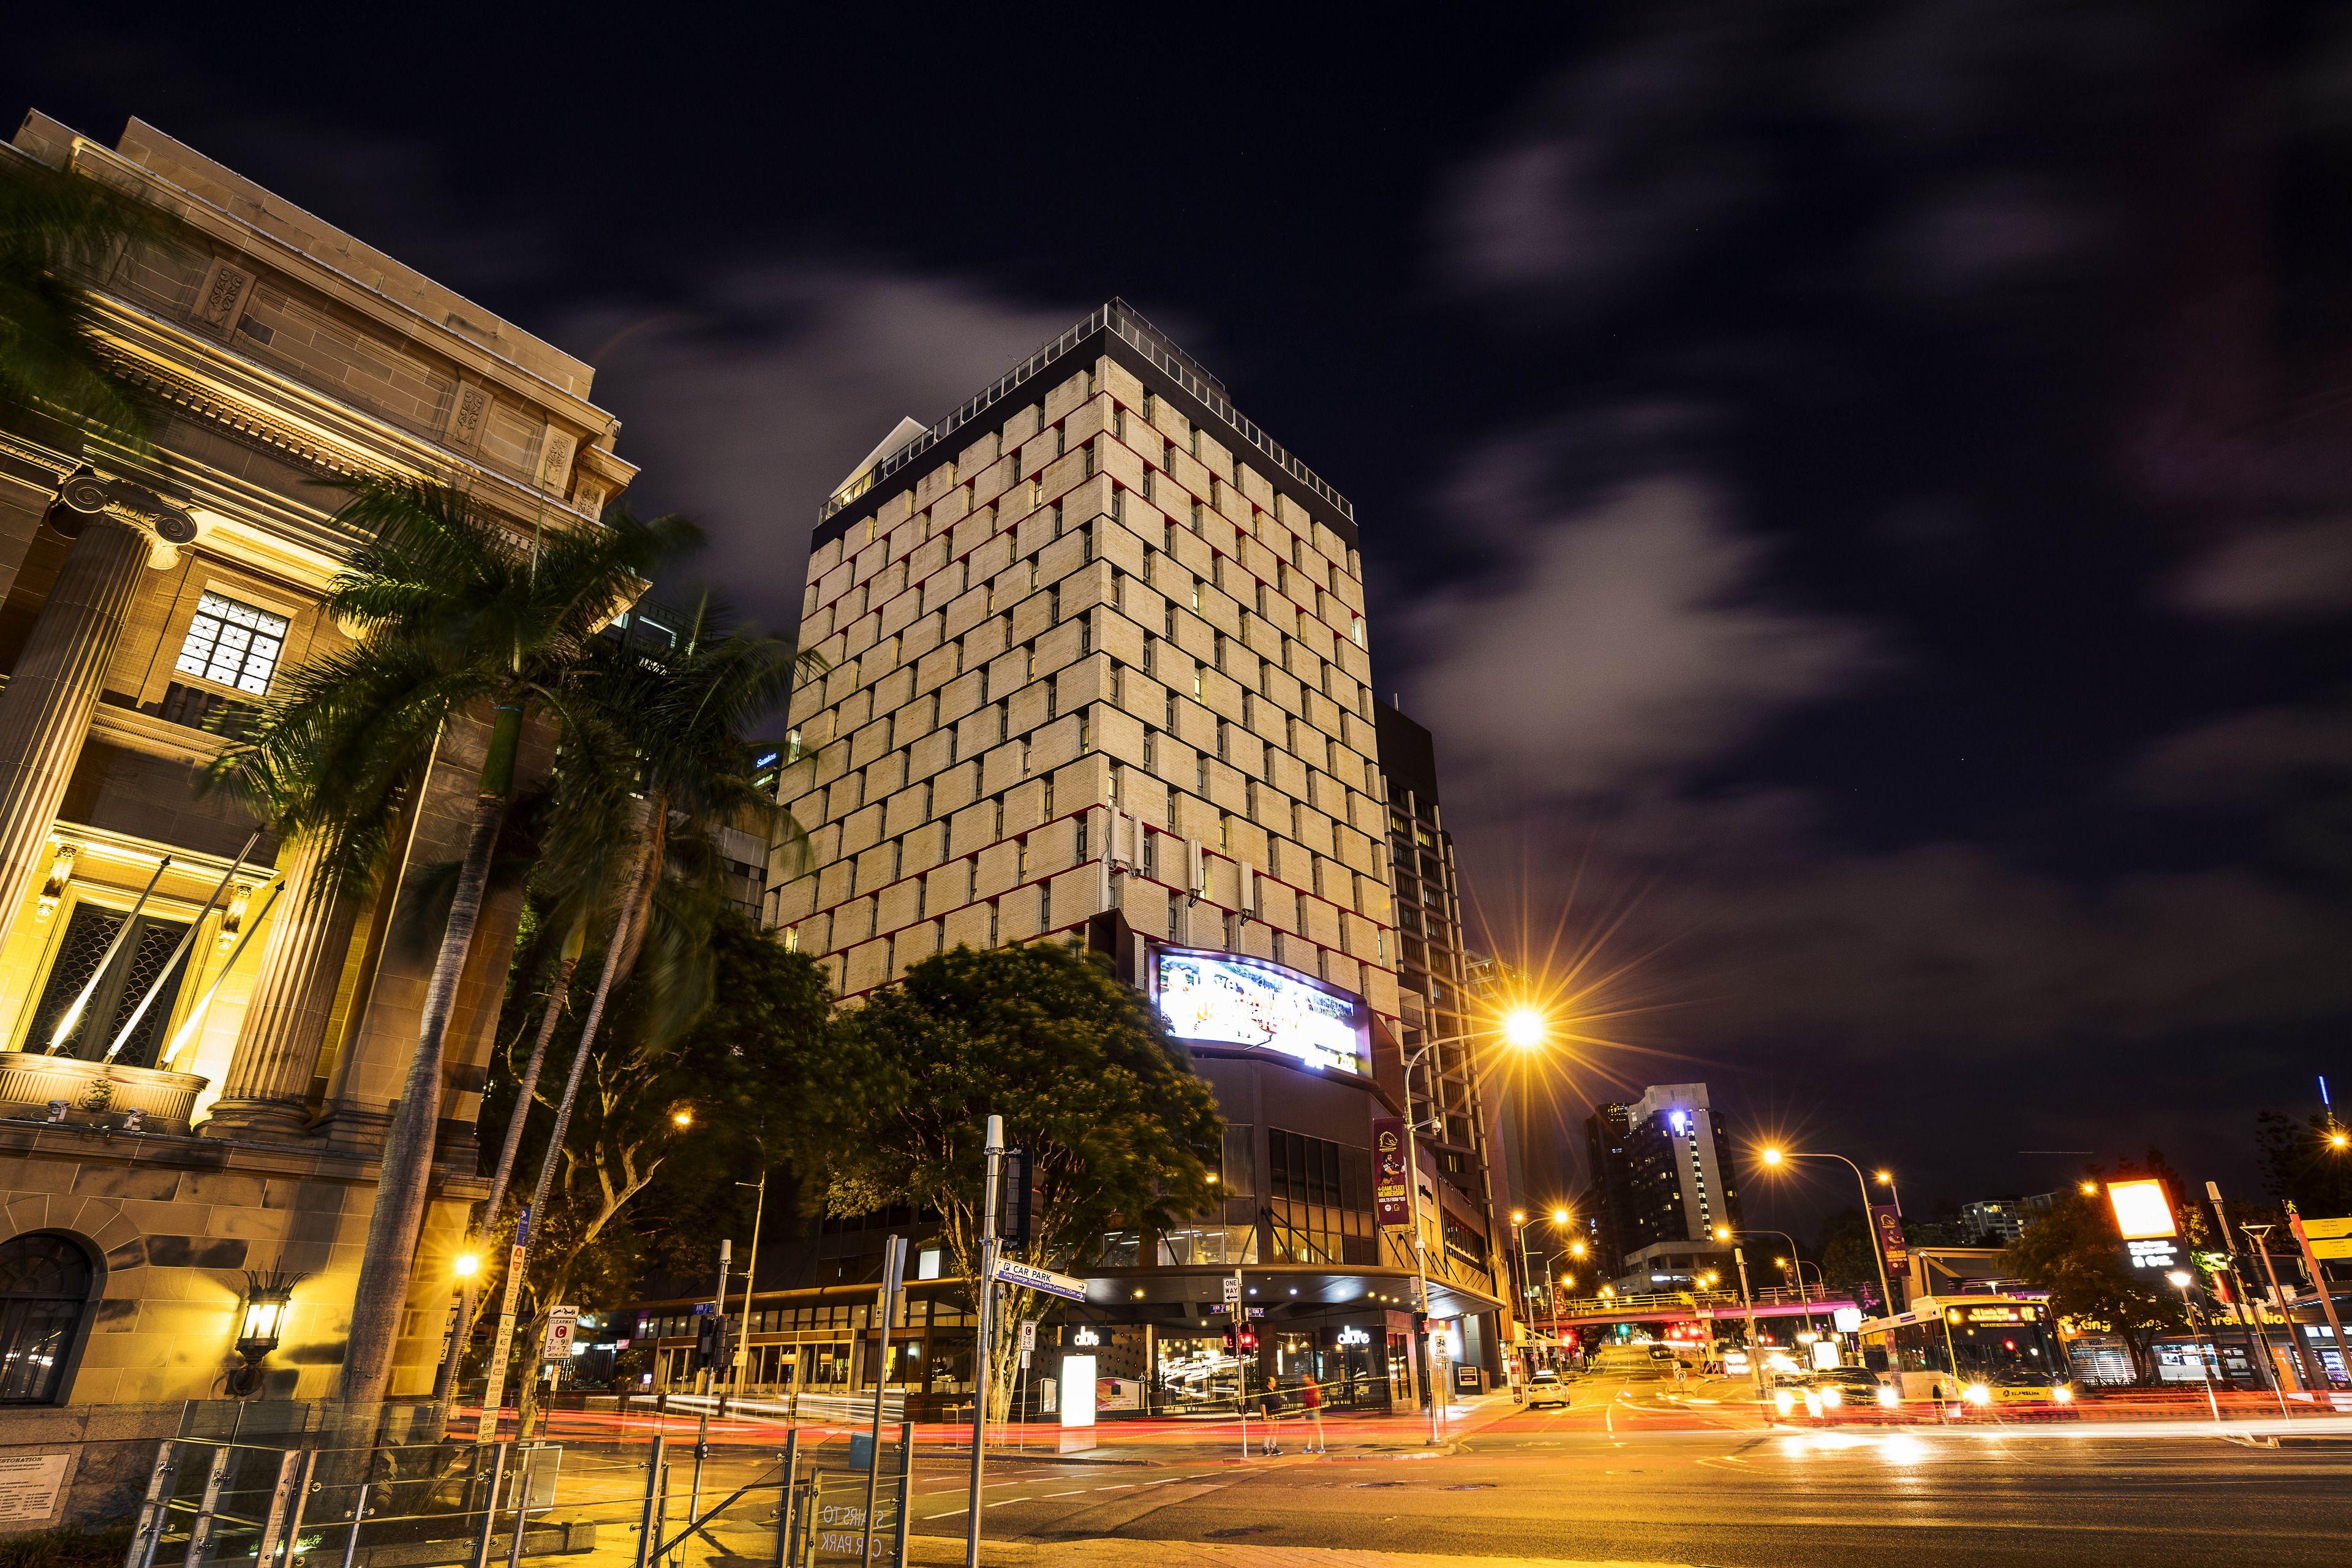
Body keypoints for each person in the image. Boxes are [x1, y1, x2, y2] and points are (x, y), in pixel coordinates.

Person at [1298, 1370, 1326, 1452]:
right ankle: (1309, 1447)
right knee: (1309, 1429)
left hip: (1314, 1410)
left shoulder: (1313, 1386)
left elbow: (1318, 1397)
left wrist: (1312, 1397)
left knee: (1318, 1429)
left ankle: (1321, 1447)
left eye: (1305, 1377)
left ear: (1309, 1378)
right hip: (1309, 1410)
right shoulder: (1307, 1386)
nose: (1303, 1379)